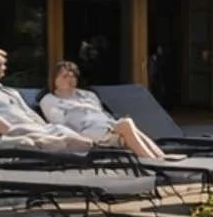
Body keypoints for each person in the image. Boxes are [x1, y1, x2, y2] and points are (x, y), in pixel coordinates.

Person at [0, 47, 94, 155]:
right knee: (77, 143)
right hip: (17, 131)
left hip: (38, 128)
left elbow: (28, 112)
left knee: (75, 137)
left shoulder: (6, 90)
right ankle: (64, 144)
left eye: (3, 64)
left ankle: (79, 144)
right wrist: (13, 132)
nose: (3, 68)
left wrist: (45, 127)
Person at [40, 61, 169, 159]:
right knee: (126, 124)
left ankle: (161, 158)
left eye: (73, 76)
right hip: (86, 132)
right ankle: (153, 162)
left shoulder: (88, 95)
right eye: (65, 76)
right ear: (54, 79)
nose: (70, 79)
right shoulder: (50, 100)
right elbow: (60, 125)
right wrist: (79, 142)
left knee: (128, 125)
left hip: (106, 126)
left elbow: (101, 113)